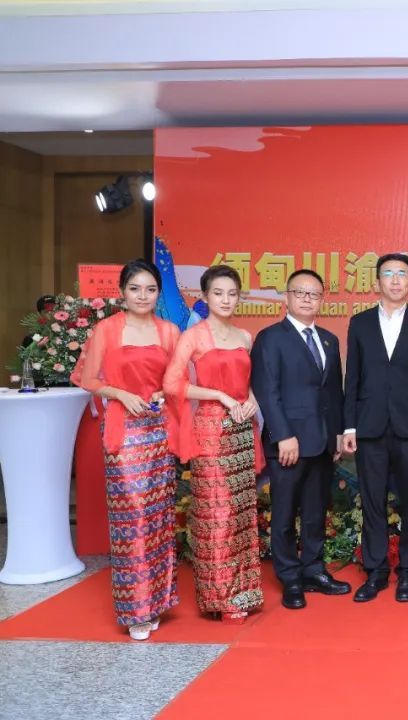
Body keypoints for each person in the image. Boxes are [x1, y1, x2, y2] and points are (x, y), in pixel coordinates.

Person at [71, 259, 180, 640]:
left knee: (159, 517)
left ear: (158, 293)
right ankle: (135, 609)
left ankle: (158, 601)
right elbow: (87, 378)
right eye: (135, 288)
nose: (142, 296)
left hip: (160, 430)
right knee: (131, 519)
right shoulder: (106, 329)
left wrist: (163, 393)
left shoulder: (169, 331)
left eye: (150, 289)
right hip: (123, 431)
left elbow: (178, 378)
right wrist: (120, 393)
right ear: (122, 292)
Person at [163, 265, 264, 623]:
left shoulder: (244, 337)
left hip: (241, 429)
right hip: (210, 430)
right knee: (216, 514)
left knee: (240, 514)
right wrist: (219, 395)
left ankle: (243, 591)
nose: (225, 300)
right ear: (205, 296)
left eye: (232, 293)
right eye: (218, 293)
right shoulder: (194, 336)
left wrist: (252, 400)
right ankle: (218, 597)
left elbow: (251, 382)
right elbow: (172, 384)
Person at [250, 269, 350, 610]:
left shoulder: (329, 340)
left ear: (322, 300)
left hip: (322, 443)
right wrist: (283, 435)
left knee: (314, 512)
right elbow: (267, 390)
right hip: (288, 445)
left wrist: (337, 435)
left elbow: (334, 393)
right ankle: (290, 578)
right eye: (300, 292)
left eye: (314, 294)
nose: (307, 299)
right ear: (287, 297)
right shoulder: (270, 338)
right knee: (284, 514)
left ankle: (313, 570)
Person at [342, 253, 408, 603]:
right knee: (372, 500)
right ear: (377, 281)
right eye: (388, 273)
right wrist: (349, 427)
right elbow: (352, 377)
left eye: (402, 274)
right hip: (369, 426)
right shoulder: (360, 322)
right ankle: (376, 570)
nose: (395, 280)